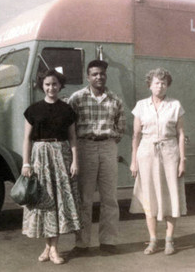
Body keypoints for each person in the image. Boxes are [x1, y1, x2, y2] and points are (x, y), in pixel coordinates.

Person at [21, 69, 81, 264]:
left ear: (60, 85)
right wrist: (26, 162)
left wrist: (75, 160)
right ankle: (48, 247)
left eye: (54, 84)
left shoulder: (67, 109)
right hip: (40, 157)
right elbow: (27, 139)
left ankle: (54, 249)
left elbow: (72, 138)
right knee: (45, 201)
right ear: (42, 86)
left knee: (59, 201)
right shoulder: (33, 110)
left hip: (61, 156)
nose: (51, 88)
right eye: (47, 84)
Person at [68, 60, 126, 256]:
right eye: (94, 74)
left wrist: (109, 139)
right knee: (85, 198)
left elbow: (121, 125)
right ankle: (82, 243)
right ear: (88, 77)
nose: (98, 77)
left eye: (101, 74)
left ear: (105, 76)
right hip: (86, 147)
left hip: (108, 147)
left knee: (109, 197)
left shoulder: (115, 99)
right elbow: (69, 127)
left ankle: (108, 241)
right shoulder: (76, 99)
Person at [129, 68, 187, 255]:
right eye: (156, 83)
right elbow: (136, 135)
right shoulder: (140, 106)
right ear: (150, 85)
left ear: (167, 85)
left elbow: (180, 134)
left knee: (171, 195)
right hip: (146, 154)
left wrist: (182, 160)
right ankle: (153, 240)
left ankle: (169, 239)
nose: (160, 86)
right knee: (149, 197)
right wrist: (133, 161)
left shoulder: (175, 105)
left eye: (163, 83)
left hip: (170, 153)